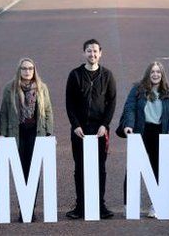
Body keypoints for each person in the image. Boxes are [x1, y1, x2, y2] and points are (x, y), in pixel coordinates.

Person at [65, 38, 117, 220]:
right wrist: (75, 125)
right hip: (79, 130)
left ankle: (100, 206)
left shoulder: (108, 75)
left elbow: (112, 103)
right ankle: (80, 206)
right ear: (84, 53)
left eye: (95, 51)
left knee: (100, 168)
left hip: (100, 130)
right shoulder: (75, 75)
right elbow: (69, 103)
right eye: (89, 51)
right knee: (79, 168)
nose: (92, 54)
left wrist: (105, 125)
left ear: (100, 53)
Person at [120, 61, 169, 218]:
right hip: (141, 131)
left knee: (157, 169)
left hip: (159, 133)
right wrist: (129, 126)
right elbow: (130, 108)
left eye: (158, 72)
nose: (155, 74)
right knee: (133, 169)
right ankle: (129, 205)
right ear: (148, 74)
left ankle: (155, 204)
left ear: (162, 75)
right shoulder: (138, 90)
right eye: (152, 72)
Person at [0, 57, 54, 221]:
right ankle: (22, 207)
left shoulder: (41, 88)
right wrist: (2, 133)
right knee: (20, 171)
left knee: (34, 171)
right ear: (19, 70)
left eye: (30, 68)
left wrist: (49, 133)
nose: (27, 71)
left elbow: (48, 111)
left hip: (36, 133)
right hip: (17, 134)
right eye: (24, 68)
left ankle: (30, 207)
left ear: (34, 70)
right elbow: (4, 113)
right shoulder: (10, 88)